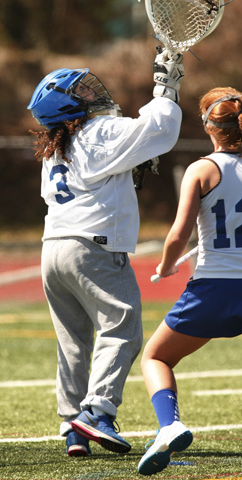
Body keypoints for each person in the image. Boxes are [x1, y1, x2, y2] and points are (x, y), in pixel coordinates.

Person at [27, 48, 184, 458]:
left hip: (53, 248)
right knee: (122, 327)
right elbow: (159, 130)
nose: (93, 91)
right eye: (81, 91)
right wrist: (166, 87)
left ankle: (72, 426)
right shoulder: (98, 132)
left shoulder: (55, 151)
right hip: (91, 247)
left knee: (72, 342)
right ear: (69, 109)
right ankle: (98, 412)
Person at [138, 86, 242, 476]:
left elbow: (179, 234)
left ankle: (170, 426)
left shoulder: (202, 169)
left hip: (214, 287)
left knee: (156, 356)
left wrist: (166, 266)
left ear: (208, 127)